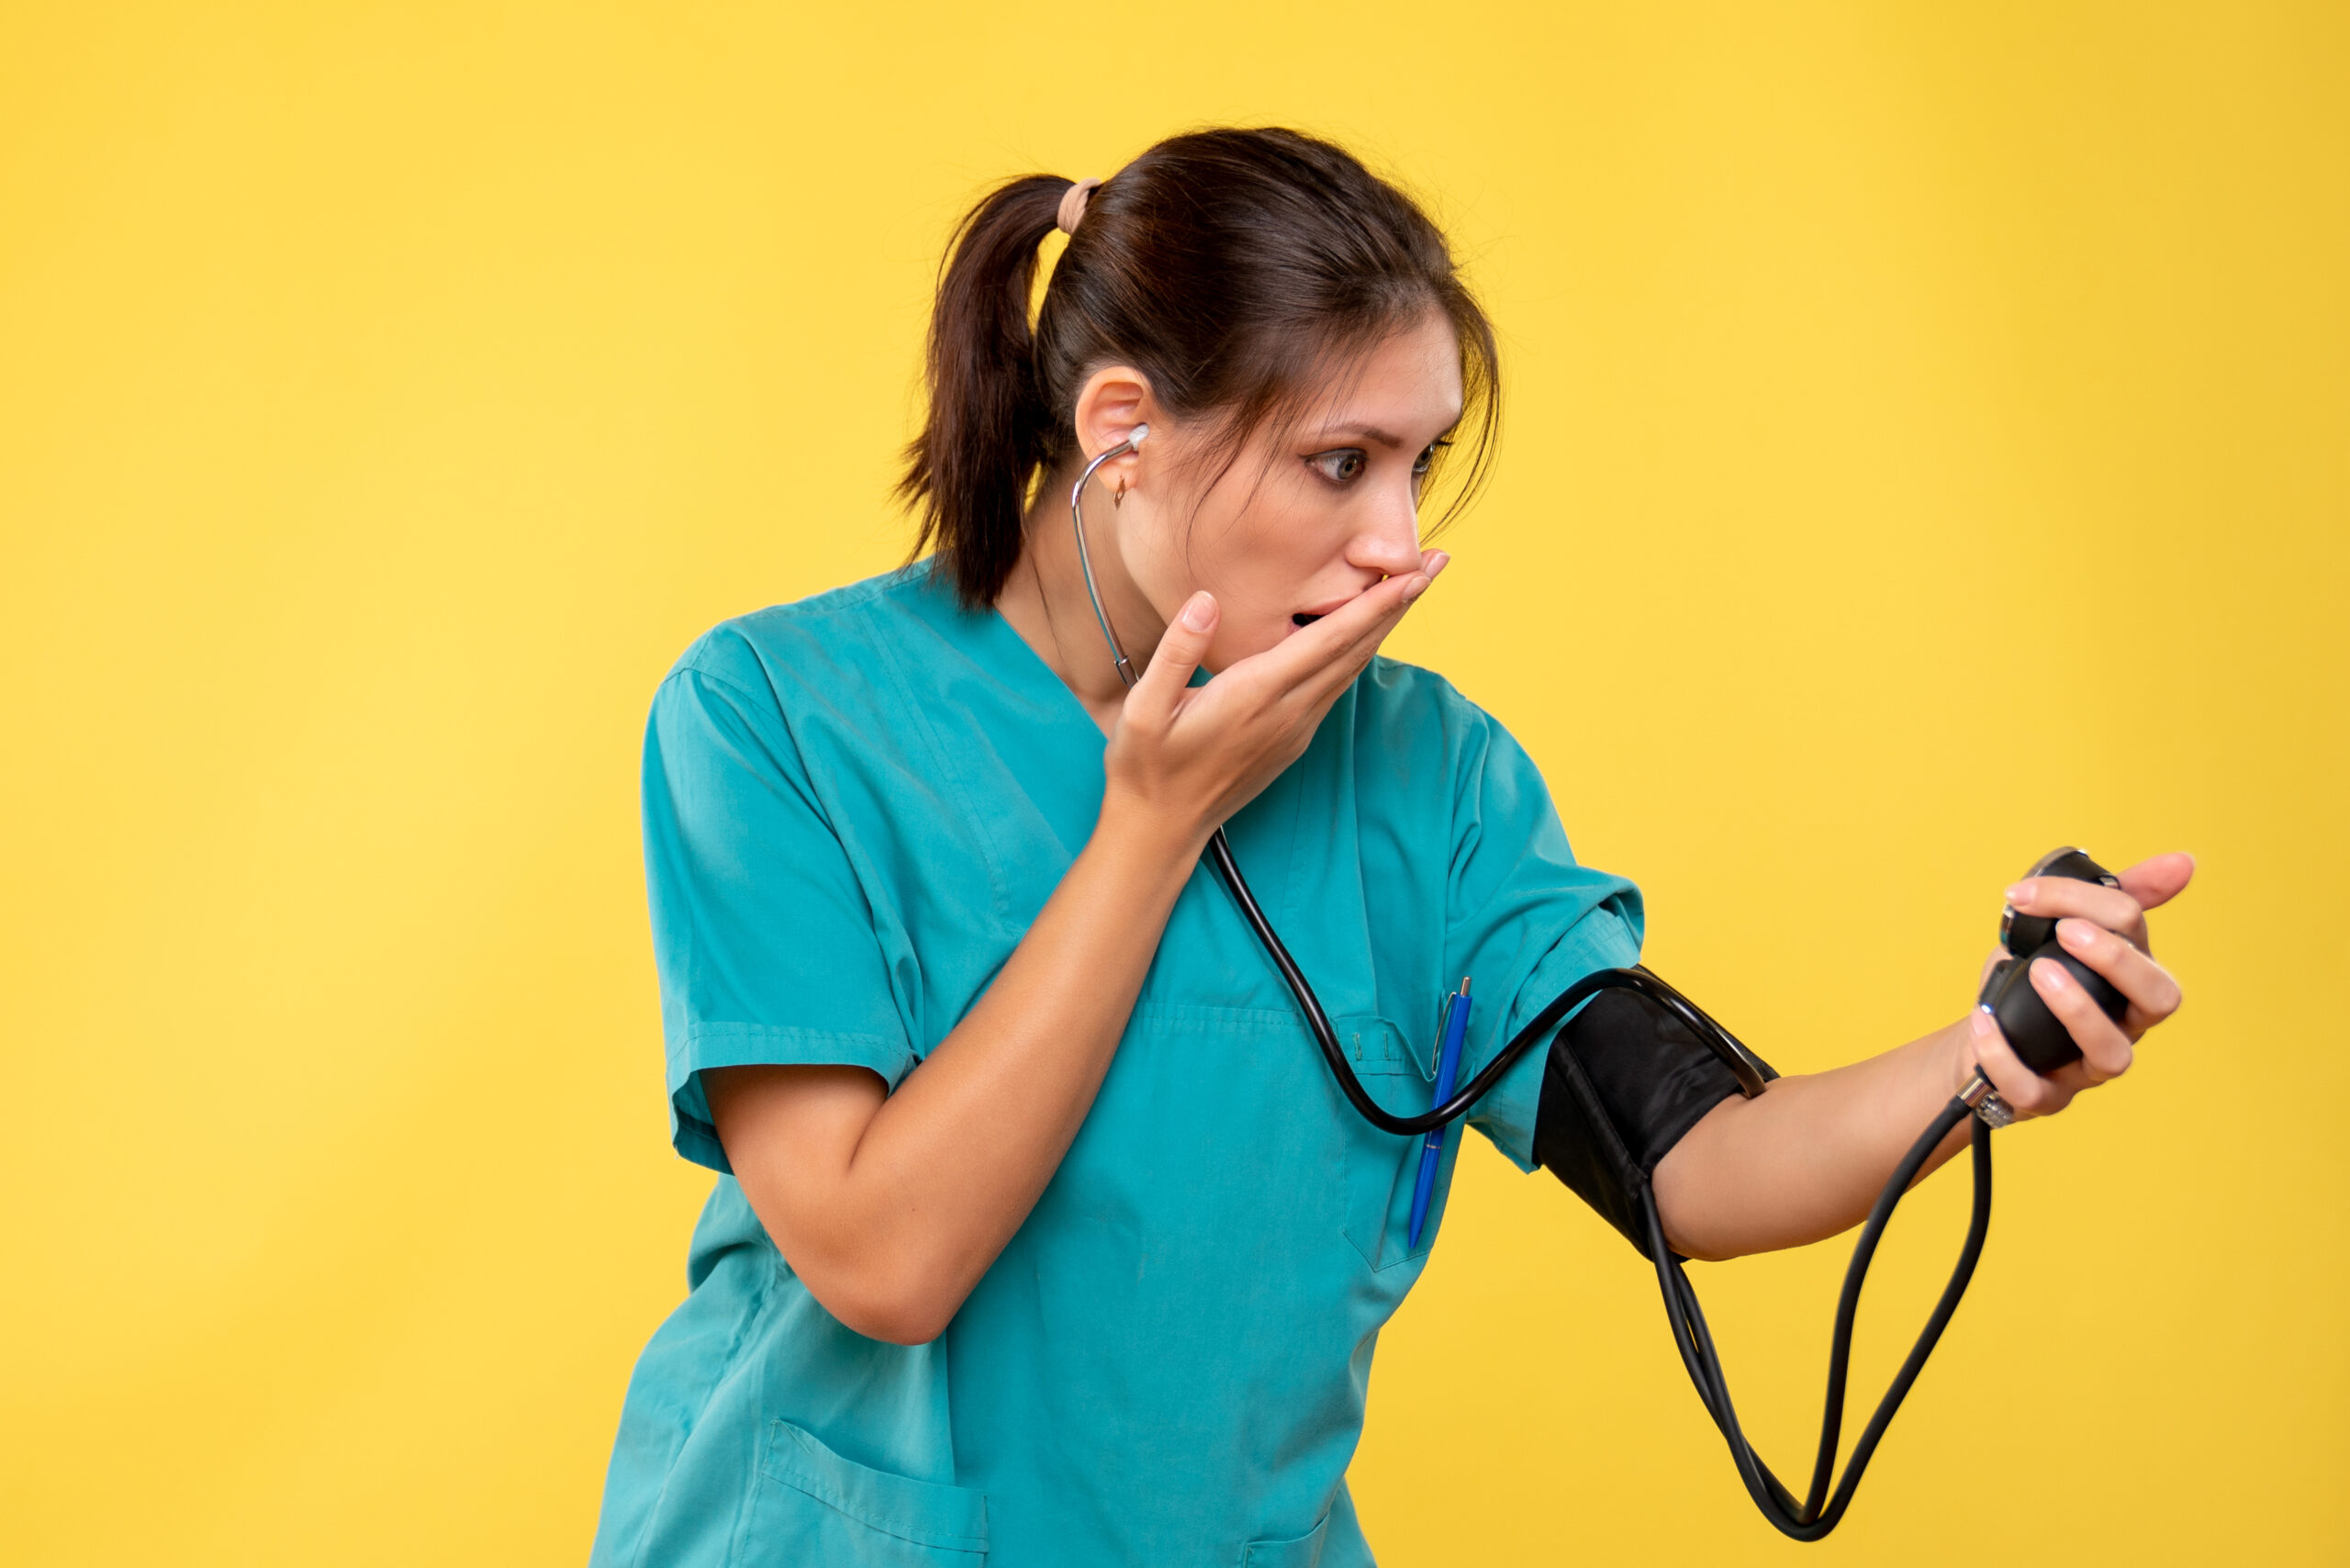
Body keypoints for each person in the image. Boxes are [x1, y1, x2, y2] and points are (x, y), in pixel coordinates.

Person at [586, 127, 2191, 1566]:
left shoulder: (1426, 775)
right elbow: (885, 1261)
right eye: (1339, 464)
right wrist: (1154, 827)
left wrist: (1991, 1059)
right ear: (1121, 434)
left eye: (1420, 466)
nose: (1400, 547)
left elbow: (1691, 1157)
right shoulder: (774, 718)